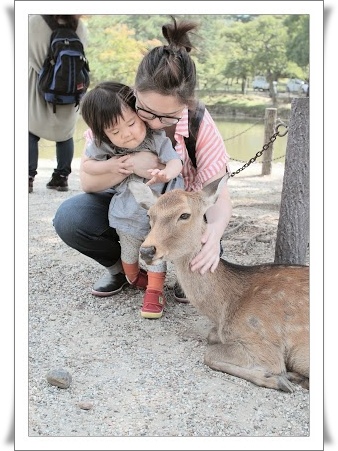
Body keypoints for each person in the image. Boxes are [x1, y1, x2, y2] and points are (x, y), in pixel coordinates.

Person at [53, 16, 232, 304]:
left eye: (168, 116)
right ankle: (119, 269)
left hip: (178, 216)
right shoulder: (117, 113)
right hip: (131, 207)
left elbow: (218, 192)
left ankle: (179, 272)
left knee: (207, 253)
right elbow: (87, 182)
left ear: (186, 106)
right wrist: (127, 165)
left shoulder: (199, 124)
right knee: (71, 217)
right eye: (147, 111)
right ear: (133, 93)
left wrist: (214, 233)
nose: (156, 123)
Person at [80, 81, 184, 318]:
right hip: (127, 212)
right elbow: (87, 166)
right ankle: (135, 278)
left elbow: (175, 160)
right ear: (102, 133)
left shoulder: (156, 138)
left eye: (131, 123)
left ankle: (155, 292)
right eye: (115, 132)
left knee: (155, 251)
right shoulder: (101, 144)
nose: (127, 134)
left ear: (138, 113)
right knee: (129, 256)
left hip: (158, 212)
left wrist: (166, 172)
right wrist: (111, 164)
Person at [28, 14, 88, 193]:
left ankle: (27, 177)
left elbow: (29, 53)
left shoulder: (35, 22)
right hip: (70, 89)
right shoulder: (80, 26)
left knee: (30, 130)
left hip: (38, 84)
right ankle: (61, 179)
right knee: (66, 133)